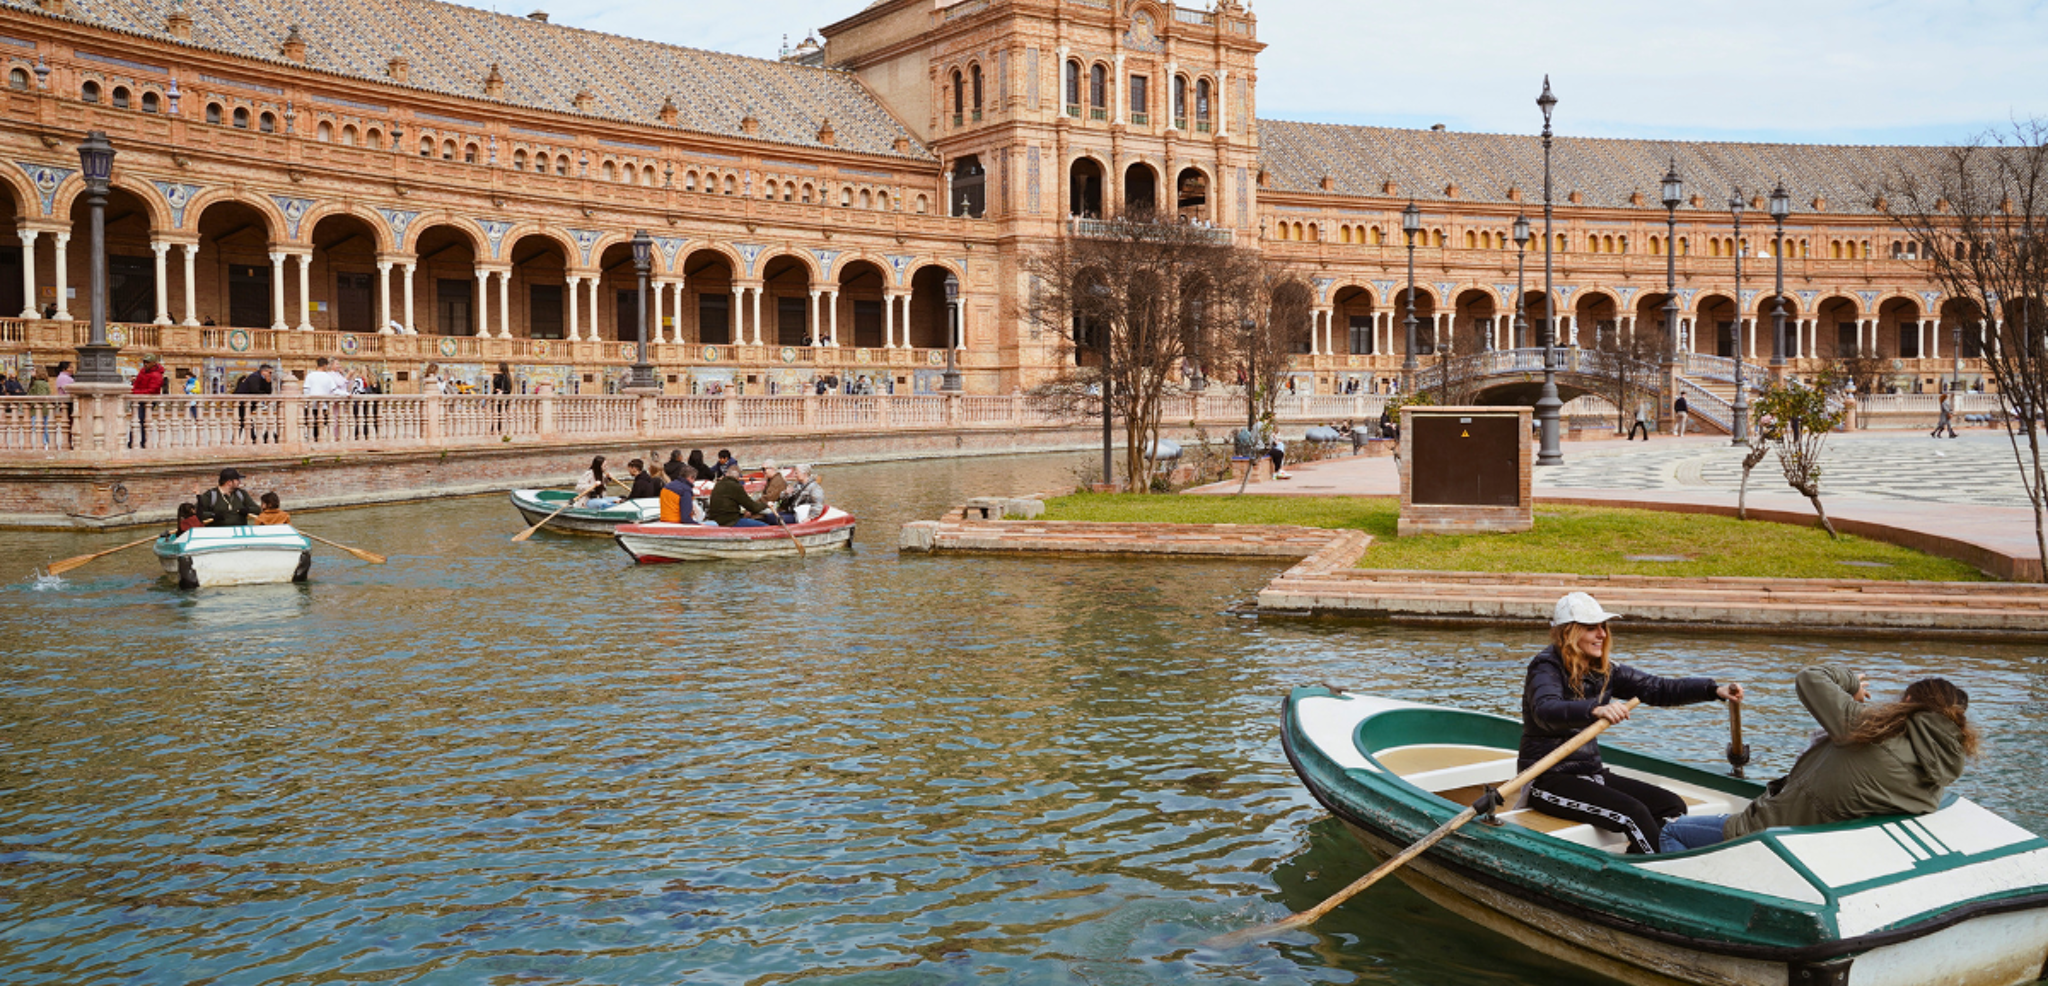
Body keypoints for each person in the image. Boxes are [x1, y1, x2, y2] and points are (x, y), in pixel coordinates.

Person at [1661, 668, 1976, 853]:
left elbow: (1811, 678)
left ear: (1907, 702)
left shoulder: (1868, 728)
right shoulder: (1939, 771)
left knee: (1669, 831)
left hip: (1772, 831)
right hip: (1820, 846)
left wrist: (1850, 683)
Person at [1521, 591, 1742, 854]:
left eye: (1603, 626)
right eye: (1591, 628)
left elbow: (1657, 688)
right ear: (1568, 633)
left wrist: (1712, 691)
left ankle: (1641, 864)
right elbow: (1545, 711)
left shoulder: (1603, 670)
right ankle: (1660, 872)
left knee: (1671, 806)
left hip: (1592, 774)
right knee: (1633, 813)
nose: (1602, 634)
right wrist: (1595, 710)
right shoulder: (1545, 667)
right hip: (1547, 779)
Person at [706, 467, 772, 527]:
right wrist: (766, 505)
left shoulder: (718, 485)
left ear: (727, 474)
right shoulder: (736, 487)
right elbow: (752, 507)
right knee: (765, 526)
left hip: (716, 520)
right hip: (729, 522)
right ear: (738, 478)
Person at [130, 355, 168, 448]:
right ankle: (131, 441)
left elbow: (152, 390)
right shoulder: (143, 371)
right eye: (144, 362)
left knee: (143, 420)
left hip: (149, 401)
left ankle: (144, 441)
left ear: (154, 363)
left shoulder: (157, 375)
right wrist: (134, 390)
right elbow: (137, 383)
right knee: (135, 420)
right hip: (139, 398)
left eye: (147, 362)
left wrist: (135, 392)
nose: (145, 364)